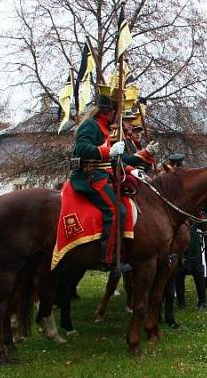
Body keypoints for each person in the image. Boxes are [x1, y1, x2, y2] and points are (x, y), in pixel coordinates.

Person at [70, 86, 140, 270]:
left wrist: (144, 155)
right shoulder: (90, 125)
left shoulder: (104, 127)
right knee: (117, 211)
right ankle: (106, 258)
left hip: (103, 176)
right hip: (89, 177)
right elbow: (82, 149)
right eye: (118, 112)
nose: (119, 116)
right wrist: (109, 151)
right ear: (109, 112)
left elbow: (120, 159)